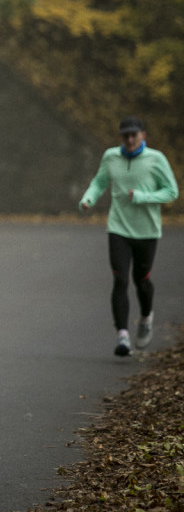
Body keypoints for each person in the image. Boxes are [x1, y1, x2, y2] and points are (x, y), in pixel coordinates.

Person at [79, 116, 178, 357]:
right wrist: (88, 198)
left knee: (141, 280)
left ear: (143, 135)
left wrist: (144, 197)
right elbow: (100, 182)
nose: (130, 139)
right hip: (118, 228)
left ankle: (145, 317)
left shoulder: (156, 159)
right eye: (126, 135)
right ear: (121, 136)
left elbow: (171, 191)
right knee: (120, 280)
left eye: (134, 134)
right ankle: (122, 335)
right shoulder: (111, 156)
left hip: (146, 231)